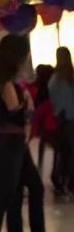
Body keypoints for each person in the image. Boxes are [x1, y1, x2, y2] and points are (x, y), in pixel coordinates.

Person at [0, 34, 63, 232]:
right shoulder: (4, 84)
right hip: (6, 145)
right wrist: (28, 107)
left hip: (13, 144)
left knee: (29, 190)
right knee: (5, 199)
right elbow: (15, 115)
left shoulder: (1, 81)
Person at [49, 48, 74, 197]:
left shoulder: (54, 79)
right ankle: (70, 182)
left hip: (59, 120)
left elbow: (53, 100)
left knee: (63, 151)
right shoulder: (71, 77)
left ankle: (60, 180)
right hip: (71, 119)